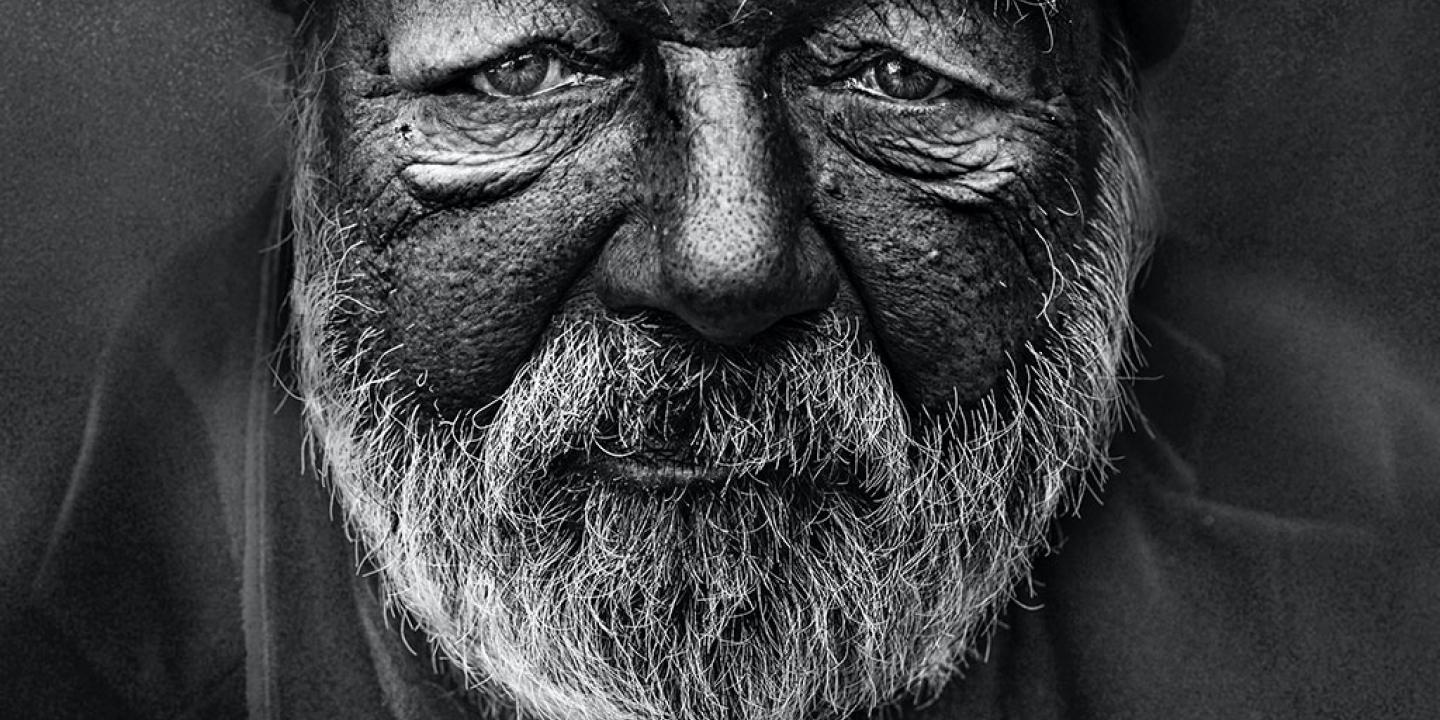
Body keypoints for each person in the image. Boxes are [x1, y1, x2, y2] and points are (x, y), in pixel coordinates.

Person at [7, 1, 1440, 718]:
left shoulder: (1366, 597)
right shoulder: (81, 621)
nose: (730, 253)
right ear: (309, 133)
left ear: (1106, 165)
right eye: (529, 64)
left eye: (900, 70)